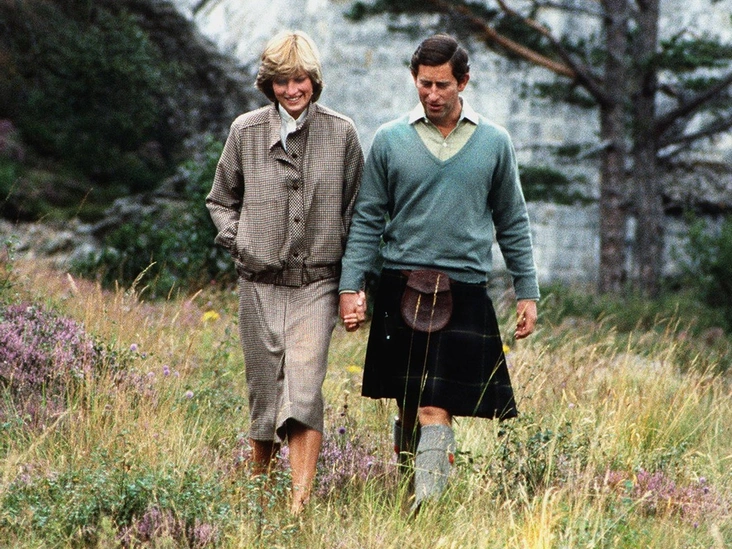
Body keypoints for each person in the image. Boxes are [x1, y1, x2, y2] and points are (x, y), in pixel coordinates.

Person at [339, 34, 539, 512]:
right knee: (410, 403)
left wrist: (526, 289)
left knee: (435, 405)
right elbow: (367, 218)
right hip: (401, 283)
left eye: (442, 85)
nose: (432, 94)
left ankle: (426, 511)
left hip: (464, 288)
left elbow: (512, 219)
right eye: (424, 83)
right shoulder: (390, 139)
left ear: (463, 81)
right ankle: (410, 490)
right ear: (414, 79)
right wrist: (351, 284)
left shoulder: (494, 142)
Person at [206, 30, 365, 515]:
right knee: (264, 393)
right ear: (268, 84)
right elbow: (220, 200)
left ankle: (298, 507)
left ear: (314, 79)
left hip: (317, 283)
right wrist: (242, 242)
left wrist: (353, 285)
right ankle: (259, 496)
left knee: (304, 388)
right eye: (281, 81)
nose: (292, 90)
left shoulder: (342, 133)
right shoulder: (245, 131)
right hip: (258, 285)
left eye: (300, 80)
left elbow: (359, 214)